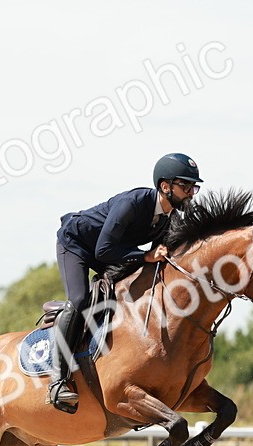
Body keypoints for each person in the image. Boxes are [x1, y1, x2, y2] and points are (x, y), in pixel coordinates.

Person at [48, 152, 203, 412]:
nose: (191, 193)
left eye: (193, 187)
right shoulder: (133, 203)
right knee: (79, 300)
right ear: (165, 186)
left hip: (110, 250)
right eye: (185, 186)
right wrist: (145, 255)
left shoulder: (170, 219)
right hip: (77, 244)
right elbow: (103, 251)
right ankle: (57, 381)